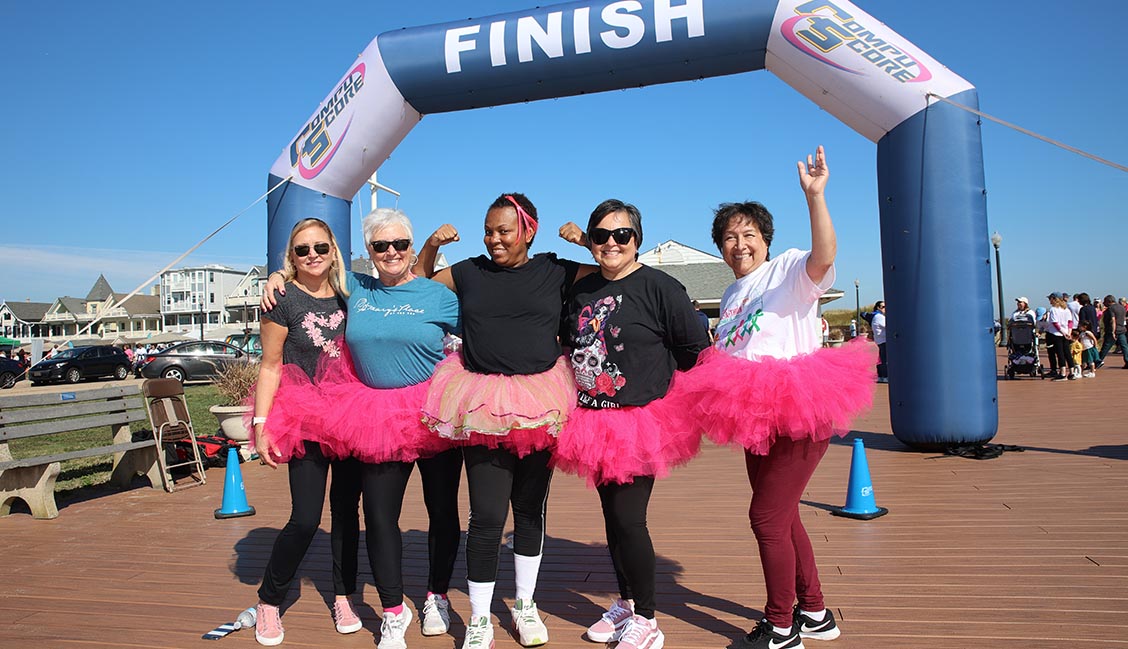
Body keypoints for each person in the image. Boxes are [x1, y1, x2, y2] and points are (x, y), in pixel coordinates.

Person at [686, 146, 875, 649]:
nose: (739, 244)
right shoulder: (730, 295)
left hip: (796, 407)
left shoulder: (789, 269)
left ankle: (781, 623)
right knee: (783, 513)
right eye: (728, 237)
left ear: (766, 241)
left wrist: (816, 198)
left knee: (765, 517)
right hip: (752, 415)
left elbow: (824, 257)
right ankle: (814, 611)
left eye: (748, 235)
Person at [261, 209, 466, 648]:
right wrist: (275, 276)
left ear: (411, 249)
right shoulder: (356, 287)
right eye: (380, 245)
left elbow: (478, 338)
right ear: (367, 252)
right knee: (377, 516)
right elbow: (308, 278)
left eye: (400, 244)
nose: (391, 252)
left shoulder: (439, 296)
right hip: (372, 415)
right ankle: (393, 611)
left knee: (443, 512)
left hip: (431, 411)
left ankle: (436, 595)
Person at [415, 193, 597, 649]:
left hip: (540, 399)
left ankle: (525, 605)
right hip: (481, 402)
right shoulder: (469, 270)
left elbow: (613, 270)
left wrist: (588, 239)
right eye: (489, 230)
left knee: (530, 510)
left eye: (504, 231)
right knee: (488, 515)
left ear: (528, 231)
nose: (494, 239)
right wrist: (434, 245)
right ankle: (480, 618)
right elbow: (419, 281)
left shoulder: (554, 269)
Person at [554, 199, 710, 649]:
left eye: (621, 235)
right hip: (591, 420)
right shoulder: (581, 292)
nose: (611, 243)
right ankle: (624, 602)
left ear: (636, 239)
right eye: (601, 235)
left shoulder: (660, 287)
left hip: (641, 422)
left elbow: (693, 349)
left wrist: (662, 394)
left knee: (628, 519)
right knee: (612, 518)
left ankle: (647, 618)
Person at [249, 218, 363, 647]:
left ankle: (343, 595)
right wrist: (261, 426)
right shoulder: (282, 298)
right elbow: (270, 365)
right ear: (290, 258)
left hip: (351, 417)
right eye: (301, 250)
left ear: (333, 250)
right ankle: (269, 599)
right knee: (306, 518)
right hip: (305, 417)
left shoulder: (352, 294)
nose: (312, 255)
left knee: (347, 514)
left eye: (319, 247)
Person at [1046, 292, 1075, 381]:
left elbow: (1055, 323)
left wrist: (1063, 332)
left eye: (1050, 299)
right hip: (1066, 333)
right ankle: (1072, 372)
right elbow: (1070, 322)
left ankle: (1063, 373)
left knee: (1060, 353)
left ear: (1054, 299)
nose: (1049, 301)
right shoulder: (1066, 310)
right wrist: (1068, 332)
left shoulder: (1053, 309)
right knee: (1067, 353)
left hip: (1057, 334)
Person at [1098, 294, 1128, 368]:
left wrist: (1113, 331)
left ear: (1109, 301)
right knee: (1124, 347)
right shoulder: (1122, 308)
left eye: (1105, 302)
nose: (1104, 303)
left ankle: (1098, 361)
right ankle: (1127, 360)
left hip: (1112, 331)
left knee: (1106, 347)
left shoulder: (1111, 309)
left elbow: (1113, 320)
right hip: (1122, 330)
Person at [871, 300, 887, 383]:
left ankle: (881, 376)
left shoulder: (876, 316)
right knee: (884, 359)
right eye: (883, 307)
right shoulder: (879, 317)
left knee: (881, 358)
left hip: (880, 340)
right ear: (878, 308)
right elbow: (888, 325)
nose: (884, 308)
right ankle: (884, 376)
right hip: (883, 340)